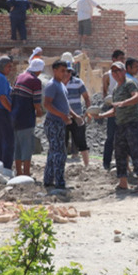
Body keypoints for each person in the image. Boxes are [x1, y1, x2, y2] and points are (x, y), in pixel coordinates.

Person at [95, 61, 138, 192]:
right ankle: (123, 182)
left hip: (133, 123)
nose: (116, 74)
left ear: (123, 71)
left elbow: (137, 97)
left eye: (118, 71)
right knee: (120, 153)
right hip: (120, 124)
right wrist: (101, 115)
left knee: (136, 152)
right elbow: (115, 110)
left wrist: (123, 102)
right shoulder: (116, 89)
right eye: (113, 72)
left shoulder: (129, 83)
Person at [43, 60, 80, 189]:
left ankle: (49, 180)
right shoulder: (52, 85)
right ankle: (59, 182)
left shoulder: (61, 85)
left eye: (66, 71)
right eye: (62, 71)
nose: (65, 73)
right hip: (53, 123)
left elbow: (65, 105)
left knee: (55, 152)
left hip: (60, 123)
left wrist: (75, 115)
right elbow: (47, 104)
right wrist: (63, 116)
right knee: (59, 153)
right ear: (55, 71)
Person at [11, 58, 44, 176]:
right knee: (27, 146)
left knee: (18, 146)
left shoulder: (19, 77)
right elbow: (36, 101)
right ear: (39, 70)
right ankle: (26, 173)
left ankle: (19, 172)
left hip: (14, 116)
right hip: (26, 117)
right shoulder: (35, 81)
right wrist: (39, 112)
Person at [62, 52, 91, 167]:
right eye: (65, 71)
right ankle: (61, 164)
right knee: (62, 141)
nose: (67, 74)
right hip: (63, 117)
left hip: (77, 116)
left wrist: (87, 113)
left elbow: (87, 98)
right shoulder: (58, 84)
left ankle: (86, 165)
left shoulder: (78, 82)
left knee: (81, 141)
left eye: (69, 71)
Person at [102, 50, 125, 170]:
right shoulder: (107, 76)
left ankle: (121, 162)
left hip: (124, 108)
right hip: (113, 108)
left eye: (123, 59)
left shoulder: (126, 76)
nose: (122, 61)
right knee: (110, 136)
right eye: (120, 58)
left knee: (122, 136)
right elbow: (105, 93)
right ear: (114, 59)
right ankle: (106, 162)